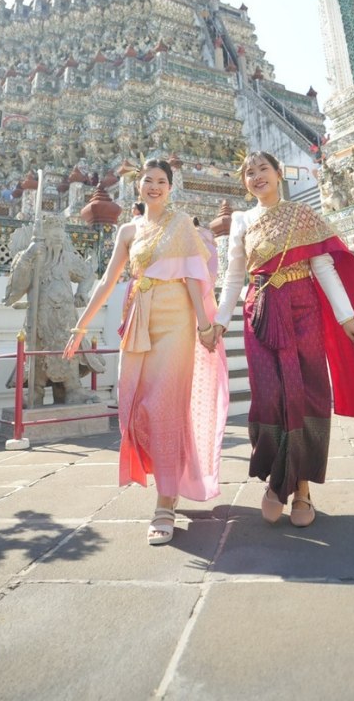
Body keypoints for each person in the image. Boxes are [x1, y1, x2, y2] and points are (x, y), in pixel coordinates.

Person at [213, 151, 354, 527]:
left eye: (264, 169)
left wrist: (347, 317)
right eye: (249, 172)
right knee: (269, 394)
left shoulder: (303, 216)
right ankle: (276, 482)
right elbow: (234, 276)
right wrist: (218, 320)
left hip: (303, 309)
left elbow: (323, 267)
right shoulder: (242, 220)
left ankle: (302, 489)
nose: (257, 176)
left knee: (305, 393)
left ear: (280, 175)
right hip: (260, 308)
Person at [68, 159, 226, 546]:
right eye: (148, 181)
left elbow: (192, 276)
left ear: (171, 187)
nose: (154, 187)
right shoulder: (128, 230)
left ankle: (164, 503)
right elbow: (108, 280)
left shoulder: (182, 223)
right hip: (139, 316)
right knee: (135, 404)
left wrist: (204, 327)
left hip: (176, 321)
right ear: (137, 186)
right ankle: (170, 478)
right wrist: (81, 324)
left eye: (161, 181)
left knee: (164, 406)